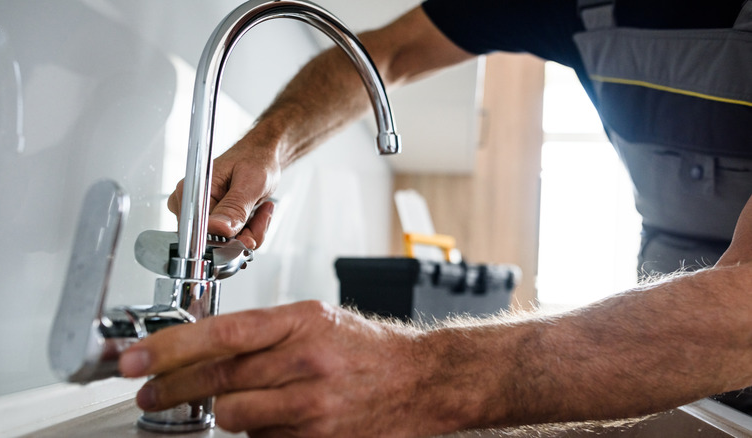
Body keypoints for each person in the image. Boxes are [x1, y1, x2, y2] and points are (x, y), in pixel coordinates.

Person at [119, 0, 752, 436]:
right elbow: (388, 54)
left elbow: (745, 310)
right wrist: (274, 143)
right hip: (666, 350)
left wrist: (413, 377)